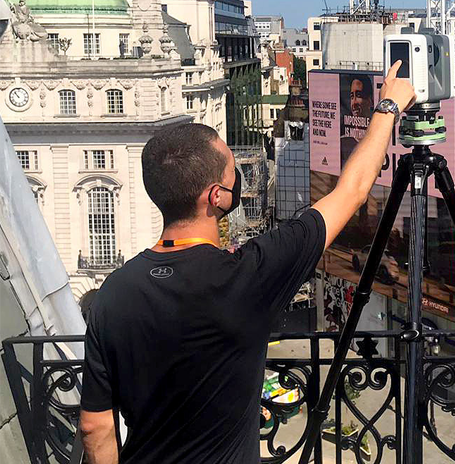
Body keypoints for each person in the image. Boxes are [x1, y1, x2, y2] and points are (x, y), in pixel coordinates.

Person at [78, 62, 414, 464]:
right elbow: (353, 191)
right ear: (216, 196)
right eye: (231, 171)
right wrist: (388, 107)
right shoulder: (250, 273)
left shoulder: (114, 291)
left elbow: (94, 427)